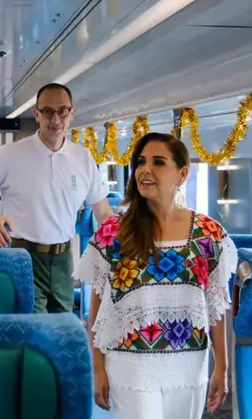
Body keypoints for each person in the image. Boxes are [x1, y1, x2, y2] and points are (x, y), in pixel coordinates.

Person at [74, 132, 236, 419]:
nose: (145, 170)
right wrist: (97, 367)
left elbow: (215, 307)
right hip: (131, 367)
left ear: (182, 174)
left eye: (158, 162)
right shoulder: (113, 232)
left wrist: (221, 367)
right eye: (140, 162)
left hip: (189, 367)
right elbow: (98, 310)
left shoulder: (208, 234)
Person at [0, 83, 115, 314]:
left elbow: (104, 213)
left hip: (64, 260)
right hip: (24, 256)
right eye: (47, 111)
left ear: (72, 113)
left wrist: (128, 249)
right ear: (36, 114)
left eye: (62, 111)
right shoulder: (11, 154)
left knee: (63, 324)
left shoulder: (83, 158)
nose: (55, 118)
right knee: (36, 327)